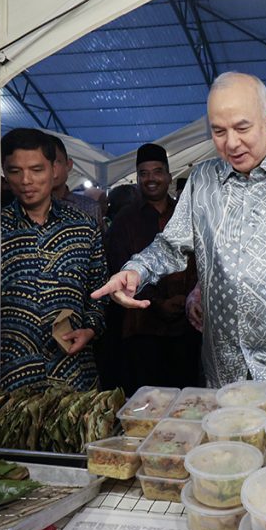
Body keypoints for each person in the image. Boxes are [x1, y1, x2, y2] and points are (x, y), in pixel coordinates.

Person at [92, 72, 266, 388]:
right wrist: (137, 270)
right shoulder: (202, 180)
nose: (231, 143)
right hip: (225, 375)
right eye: (219, 132)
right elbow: (172, 245)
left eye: (242, 128)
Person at [0, 128, 108, 391]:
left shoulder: (83, 227)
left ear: (55, 170)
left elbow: (98, 292)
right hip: (9, 374)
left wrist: (91, 329)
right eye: (15, 171)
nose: (26, 180)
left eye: (37, 169)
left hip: (72, 370)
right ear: (4, 173)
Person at [105, 143, 199, 392]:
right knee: (147, 403)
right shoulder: (124, 220)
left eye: (157, 171)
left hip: (187, 328)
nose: (151, 179)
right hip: (143, 329)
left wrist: (188, 296)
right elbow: (120, 266)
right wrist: (158, 303)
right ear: (137, 179)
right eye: (143, 173)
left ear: (169, 176)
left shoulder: (187, 213)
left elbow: (201, 260)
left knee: (187, 400)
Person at [48, 134, 101, 219]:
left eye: (57, 162)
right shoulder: (25, 207)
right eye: (43, 165)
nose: (52, 169)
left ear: (68, 164)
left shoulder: (89, 207)